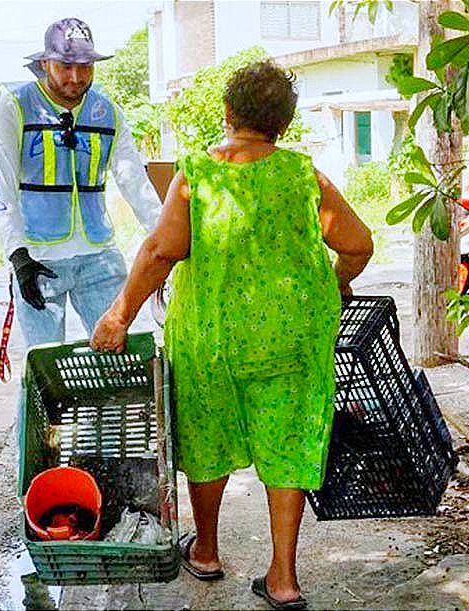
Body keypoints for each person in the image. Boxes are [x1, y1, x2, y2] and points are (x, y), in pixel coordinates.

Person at [91, 60, 374, 609]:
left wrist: (118, 316)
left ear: (227, 113)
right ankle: (284, 578)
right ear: (284, 124)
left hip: (211, 337)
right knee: (286, 444)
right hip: (291, 339)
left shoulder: (198, 173)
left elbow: (160, 252)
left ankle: (207, 551)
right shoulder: (304, 176)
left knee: (206, 435)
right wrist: (333, 284)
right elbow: (359, 245)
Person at [0, 17, 161, 349]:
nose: (76, 77)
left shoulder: (107, 111)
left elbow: (134, 181)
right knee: (43, 369)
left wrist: (164, 237)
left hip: (99, 258)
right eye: (66, 66)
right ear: (44, 63)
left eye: (85, 66)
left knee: (120, 362)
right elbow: (0, 186)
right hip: (39, 260)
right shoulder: (15, 106)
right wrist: (18, 256)